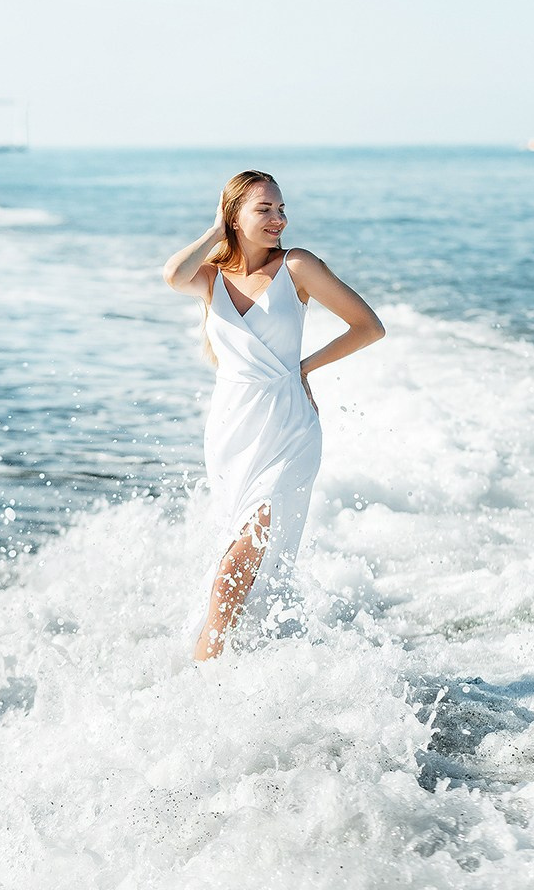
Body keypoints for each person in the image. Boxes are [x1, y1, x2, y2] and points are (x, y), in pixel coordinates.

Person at [163, 170, 385, 661]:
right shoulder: (212, 277)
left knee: (251, 543)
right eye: (264, 209)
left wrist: (304, 368)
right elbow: (172, 274)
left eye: (281, 209)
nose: (278, 219)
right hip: (230, 428)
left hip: (288, 426)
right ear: (234, 216)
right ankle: (244, 656)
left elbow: (369, 327)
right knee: (241, 549)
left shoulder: (298, 266)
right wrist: (213, 233)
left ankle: (205, 665)